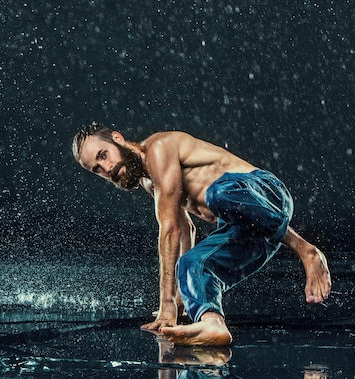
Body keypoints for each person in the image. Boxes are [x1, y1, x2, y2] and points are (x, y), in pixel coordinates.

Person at [72, 123, 331, 346]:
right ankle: (213, 324)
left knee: (218, 193)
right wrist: (183, 294)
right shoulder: (150, 182)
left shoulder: (158, 148)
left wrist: (167, 306)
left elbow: (170, 229)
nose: (106, 168)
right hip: (250, 229)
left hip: (264, 195)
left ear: (117, 139)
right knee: (190, 264)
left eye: (104, 155)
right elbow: (185, 230)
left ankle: (307, 250)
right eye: (97, 169)